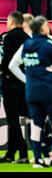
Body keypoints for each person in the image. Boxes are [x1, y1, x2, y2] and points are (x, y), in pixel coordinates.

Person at [10, 16, 52, 168]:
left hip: (32, 91)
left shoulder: (26, 45)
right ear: (44, 28)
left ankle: (38, 160)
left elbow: (12, 65)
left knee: (36, 124)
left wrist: (27, 80)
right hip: (50, 89)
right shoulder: (50, 44)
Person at [0, 12, 30, 164]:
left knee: (12, 119)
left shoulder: (9, 37)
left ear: (11, 22)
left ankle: (23, 152)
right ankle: (11, 153)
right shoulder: (27, 38)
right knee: (16, 119)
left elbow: (7, 62)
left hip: (10, 83)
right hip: (25, 83)